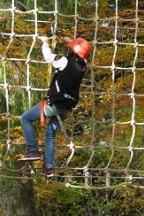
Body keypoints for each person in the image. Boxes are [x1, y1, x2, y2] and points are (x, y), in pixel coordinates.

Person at [18, 35, 91, 178]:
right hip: (66, 107)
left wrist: (45, 43)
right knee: (50, 135)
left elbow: (48, 57)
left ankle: (33, 150)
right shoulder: (82, 66)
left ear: (73, 52)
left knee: (25, 118)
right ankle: (49, 167)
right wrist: (71, 42)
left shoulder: (64, 61)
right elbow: (82, 55)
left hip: (54, 103)